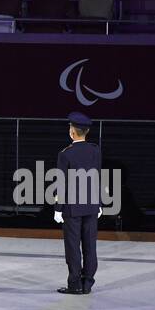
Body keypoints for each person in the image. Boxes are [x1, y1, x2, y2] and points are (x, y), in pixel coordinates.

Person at [55, 111, 103, 295]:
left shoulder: (66, 154)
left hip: (72, 206)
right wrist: (99, 203)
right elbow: (97, 176)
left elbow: (61, 182)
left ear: (72, 132)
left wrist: (58, 208)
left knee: (73, 246)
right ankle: (88, 283)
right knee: (90, 245)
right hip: (91, 205)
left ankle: (75, 284)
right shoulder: (95, 150)